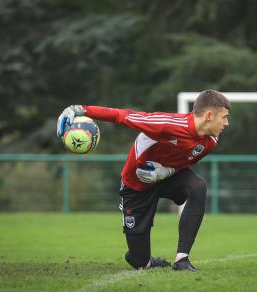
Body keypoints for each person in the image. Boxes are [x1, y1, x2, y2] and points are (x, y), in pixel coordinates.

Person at [56, 89, 230, 271]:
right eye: (224, 117)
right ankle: (147, 259)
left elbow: (184, 162)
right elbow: (120, 115)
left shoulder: (211, 140)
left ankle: (182, 260)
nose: (227, 123)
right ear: (209, 116)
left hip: (166, 178)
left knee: (198, 186)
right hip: (136, 185)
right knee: (139, 261)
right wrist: (78, 109)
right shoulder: (166, 124)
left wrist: (165, 171)